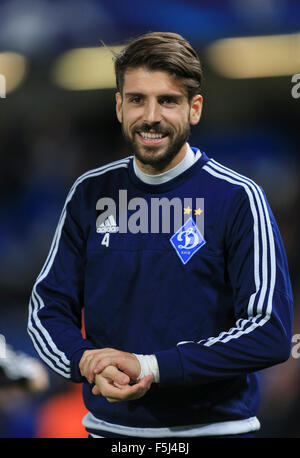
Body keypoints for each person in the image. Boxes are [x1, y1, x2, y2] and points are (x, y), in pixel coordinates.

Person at [27, 32, 293, 438]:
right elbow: (47, 307)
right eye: (137, 99)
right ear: (119, 106)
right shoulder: (89, 193)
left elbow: (270, 332)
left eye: (167, 100)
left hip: (215, 431)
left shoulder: (238, 198)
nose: (151, 116)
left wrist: (151, 366)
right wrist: (85, 361)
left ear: (195, 108)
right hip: (109, 433)